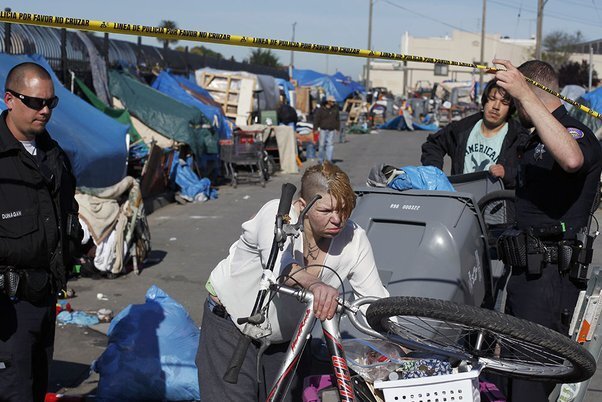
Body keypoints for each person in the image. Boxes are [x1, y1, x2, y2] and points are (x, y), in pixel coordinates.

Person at [196, 162, 389, 401]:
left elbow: (373, 299)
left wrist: (397, 343)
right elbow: (280, 265)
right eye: (326, 211)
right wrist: (316, 285)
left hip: (286, 338)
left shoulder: (354, 238)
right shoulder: (278, 213)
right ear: (302, 205)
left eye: (344, 210)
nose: (337, 219)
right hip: (231, 324)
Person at [493, 59, 602, 401]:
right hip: (523, 277)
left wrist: (525, 93)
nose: (511, 109)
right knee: (510, 382)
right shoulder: (533, 137)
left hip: (550, 280)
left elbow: (571, 159)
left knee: (529, 389)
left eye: (515, 100)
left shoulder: (573, 132)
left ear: (533, 92)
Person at [0, 62, 80, 401]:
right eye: (35, 102)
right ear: (9, 99)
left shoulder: (53, 155)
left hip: (44, 299)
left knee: (35, 387)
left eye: (51, 103)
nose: (44, 110)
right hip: (5, 308)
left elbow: (66, 215)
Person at [421, 79, 528, 188]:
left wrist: (507, 173)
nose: (496, 107)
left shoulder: (519, 138)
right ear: (485, 101)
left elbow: (530, 176)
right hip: (461, 199)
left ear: (511, 108)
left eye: (504, 102)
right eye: (492, 99)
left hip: (496, 202)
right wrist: (434, 171)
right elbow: (433, 144)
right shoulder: (462, 128)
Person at [312, 96, 340, 163]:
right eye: (332, 101)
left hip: (332, 129)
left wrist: (337, 128)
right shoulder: (321, 110)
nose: (333, 102)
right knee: (321, 145)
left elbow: (337, 119)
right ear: (328, 102)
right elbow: (316, 119)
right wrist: (315, 128)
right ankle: (320, 159)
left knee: (330, 144)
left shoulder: (335, 109)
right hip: (323, 129)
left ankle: (329, 160)